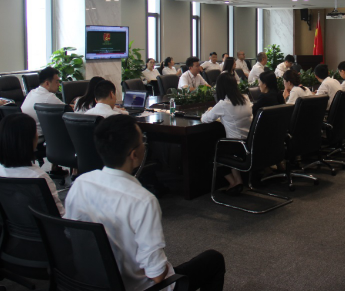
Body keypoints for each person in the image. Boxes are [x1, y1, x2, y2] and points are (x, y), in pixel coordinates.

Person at [65, 115, 225, 290]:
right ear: (134, 155)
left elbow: (70, 236)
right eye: (142, 141)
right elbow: (157, 275)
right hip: (141, 288)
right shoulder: (142, 200)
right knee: (214, 260)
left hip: (91, 282)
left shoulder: (80, 184)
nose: (144, 144)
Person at [0, 113, 65, 216]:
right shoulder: (38, 177)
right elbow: (58, 215)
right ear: (28, 140)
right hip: (45, 226)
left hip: (13, 225)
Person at [201, 73, 253, 194]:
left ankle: (233, 181)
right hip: (248, 143)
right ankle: (237, 181)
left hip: (235, 146)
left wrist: (209, 110)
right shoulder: (245, 99)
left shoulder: (224, 104)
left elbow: (205, 119)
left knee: (209, 150)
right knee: (227, 145)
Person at [20, 67, 70, 176]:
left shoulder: (32, 92)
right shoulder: (49, 97)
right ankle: (74, 169)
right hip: (39, 137)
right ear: (47, 83)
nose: (59, 85)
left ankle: (55, 167)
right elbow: (68, 110)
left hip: (25, 134)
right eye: (56, 81)